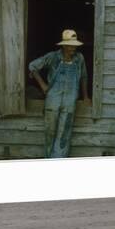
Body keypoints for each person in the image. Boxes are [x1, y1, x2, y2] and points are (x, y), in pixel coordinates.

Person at [28, 29, 91, 158]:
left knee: (64, 134)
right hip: (52, 102)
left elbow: (84, 76)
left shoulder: (79, 58)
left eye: (74, 45)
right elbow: (33, 66)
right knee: (50, 132)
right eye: (70, 45)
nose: (73, 48)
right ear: (63, 45)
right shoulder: (53, 57)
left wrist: (85, 96)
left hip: (69, 102)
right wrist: (43, 85)